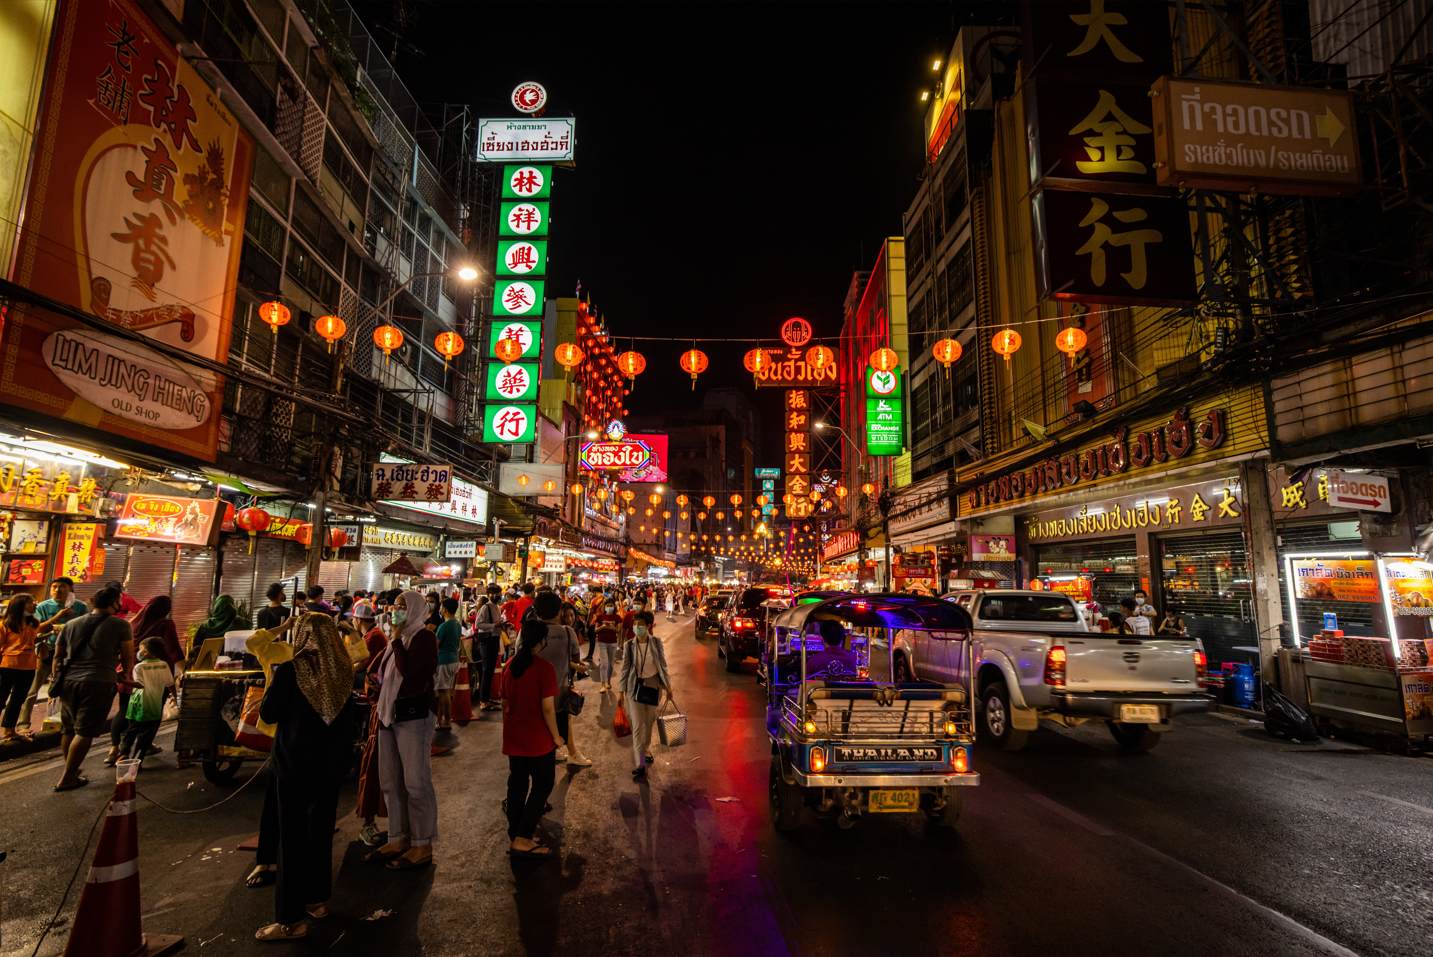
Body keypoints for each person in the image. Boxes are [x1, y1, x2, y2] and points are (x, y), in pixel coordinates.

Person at [253, 613, 358, 941]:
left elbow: (268, 712)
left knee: (292, 839)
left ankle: (291, 920)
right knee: (321, 833)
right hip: (331, 767)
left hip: (295, 765)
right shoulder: (343, 671)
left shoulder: (291, 670)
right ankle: (317, 900)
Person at [366, 590, 438, 871]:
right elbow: (383, 673)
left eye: (401, 606)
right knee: (391, 781)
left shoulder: (423, 638)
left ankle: (422, 843)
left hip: (413, 716)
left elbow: (411, 678)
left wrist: (396, 640)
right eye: (394, 605)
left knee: (416, 783)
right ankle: (398, 837)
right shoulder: (394, 638)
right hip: (388, 714)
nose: (395, 610)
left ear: (417, 611)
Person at [54, 587, 135, 791]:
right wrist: (125, 672)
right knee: (85, 731)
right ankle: (68, 777)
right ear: (115, 603)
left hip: (68, 682)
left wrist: (57, 677)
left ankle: (70, 768)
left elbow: (58, 656)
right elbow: (127, 654)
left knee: (69, 728)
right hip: (98, 681)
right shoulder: (121, 625)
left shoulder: (71, 624)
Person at [499, 618, 566, 858]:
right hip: (537, 739)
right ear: (540, 641)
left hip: (514, 736)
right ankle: (523, 837)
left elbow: (504, 703)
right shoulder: (544, 668)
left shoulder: (509, 666)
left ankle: (515, 835)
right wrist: (557, 737)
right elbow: (548, 709)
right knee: (543, 785)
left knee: (517, 786)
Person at [106, 595, 181, 763]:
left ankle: (115, 748)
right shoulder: (165, 625)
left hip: (128, 671)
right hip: (154, 678)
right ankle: (144, 747)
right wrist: (188, 670)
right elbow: (173, 650)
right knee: (152, 716)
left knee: (125, 711)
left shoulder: (134, 622)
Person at [20, 577, 87, 731]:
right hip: (45, 652)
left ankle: (55, 722)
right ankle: (23, 724)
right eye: (54, 586)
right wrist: (58, 618)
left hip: (68, 654)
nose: (57, 590)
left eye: (62, 586)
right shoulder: (43, 606)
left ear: (70, 588)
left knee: (60, 691)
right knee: (31, 691)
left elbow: (84, 629)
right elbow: (36, 629)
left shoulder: (80, 607)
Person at [616, 610, 676, 780]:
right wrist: (620, 692)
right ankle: (640, 763)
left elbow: (662, 666)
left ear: (649, 626)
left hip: (653, 687)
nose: (637, 627)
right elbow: (625, 669)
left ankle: (645, 748)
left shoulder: (656, 643)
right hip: (634, 688)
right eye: (635, 624)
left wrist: (668, 686)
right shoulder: (629, 645)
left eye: (640, 624)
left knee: (648, 724)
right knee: (637, 726)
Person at [349, 601, 388, 846]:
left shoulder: (374, 637)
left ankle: (371, 823)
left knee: (375, 766)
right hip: (383, 710)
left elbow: (361, 663)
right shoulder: (378, 635)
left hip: (382, 711)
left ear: (358, 620)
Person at [535, 594, 589, 766]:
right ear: (558, 611)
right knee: (563, 721)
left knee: (539, 723)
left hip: (534, 688)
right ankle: (564, 752)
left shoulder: (528, 631)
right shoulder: (567, 632)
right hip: (559, 689)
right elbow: (574, 657)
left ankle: (559, 751)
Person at [117, 637, 174, 766]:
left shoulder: (139, 667)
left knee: (131, 730)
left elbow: (140, 685)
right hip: (154, 705)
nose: (139, 651)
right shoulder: (163, 665)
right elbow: (170, 683)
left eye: (140, 649)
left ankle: (124, 752)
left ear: (146, 652)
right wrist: (175, 697)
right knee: (145, 736)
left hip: (137, 705)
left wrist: (124, 681)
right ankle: (137, 762)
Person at [1, 594, 40, 743]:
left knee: (18, 699)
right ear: (20, 606)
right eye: (31, 602)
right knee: (1, 699)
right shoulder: (5, 625)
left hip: (28, 667)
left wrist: (48, 634)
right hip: (8, 666)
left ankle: (9, 731)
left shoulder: (34, 623)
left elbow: (33, 640)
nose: (35, 604)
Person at [188, 594, 252, 667]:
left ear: (216, 607)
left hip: (210, 665)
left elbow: (196, 648)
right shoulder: (242, 623)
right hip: (236, 665)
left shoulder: (206, 625)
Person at [472, 584, 502, 711]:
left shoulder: (497, 607)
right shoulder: (486, 607)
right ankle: (483, 701)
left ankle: (487, 698)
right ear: (489, 595)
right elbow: (478, 624)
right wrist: (494, 625)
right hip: (488, 641)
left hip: (495, 640)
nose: (496, 596)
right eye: (493, 594)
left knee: (490, 671)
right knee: (486, 671)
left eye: (497, 593)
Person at [433, 598, 462, 730]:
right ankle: (440, 719)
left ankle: (446, 720)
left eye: (441, 607)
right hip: (454, 659)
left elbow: (436, 645)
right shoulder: (457, 623)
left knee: (443, 692)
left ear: (444, 609)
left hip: (444, 660)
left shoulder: (443, 626)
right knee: (444, 691)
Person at [591, 596, 622, 694]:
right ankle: (603, 685)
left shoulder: (617, 617)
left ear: (614, 606)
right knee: (604, 664)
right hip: (602, 642)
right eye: (607, 606)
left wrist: (613, 628)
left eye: (611, 605)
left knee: (611, 664)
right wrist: (603, 627)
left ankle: (608, 681)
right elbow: (595, 630)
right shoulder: (600, 617)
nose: (609, 607)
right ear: (605, 607)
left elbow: (619, 631)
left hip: (613, 642)